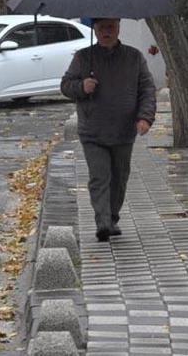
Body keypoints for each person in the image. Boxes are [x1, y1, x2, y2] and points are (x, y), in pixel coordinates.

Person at [61, 18, 157, 242]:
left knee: (120, 177)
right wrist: (81, 87)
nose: (106, 32)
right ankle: (102, 222)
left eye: (110, 27)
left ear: (118, 28)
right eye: (102, 27)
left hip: (123, 131)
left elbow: (147, 88)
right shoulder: (83, 57)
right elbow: (65, 86)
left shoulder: (134, 57)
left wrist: (145, 117)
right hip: (92, 130)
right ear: (95, 29)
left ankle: (112, 217)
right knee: (99, 176)